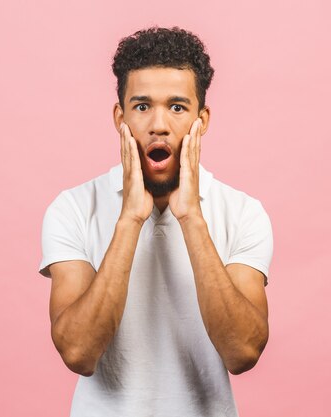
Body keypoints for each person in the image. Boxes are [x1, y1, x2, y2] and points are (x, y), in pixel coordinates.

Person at [39, 26, 273, 417]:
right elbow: (78, 352)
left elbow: (242, 352)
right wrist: (130, 218)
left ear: (203, 119)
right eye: (143, 106)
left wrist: (192, 217)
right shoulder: (73, 208)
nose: (159, 125)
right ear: (120, 117)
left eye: (178, 107)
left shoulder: (243, 212)